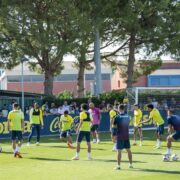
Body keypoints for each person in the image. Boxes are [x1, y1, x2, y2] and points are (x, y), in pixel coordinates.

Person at [113, 104, 133, 170]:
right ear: (124, 109)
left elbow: (114, 127)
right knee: (129, 150)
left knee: (119, 151)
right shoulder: (128, 116)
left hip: (120, 136)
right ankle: (130, 164)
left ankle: (118, 166)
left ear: (119, 109)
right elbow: (128, 123)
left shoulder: (117, 117)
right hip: (126, 135)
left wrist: (114, 135)